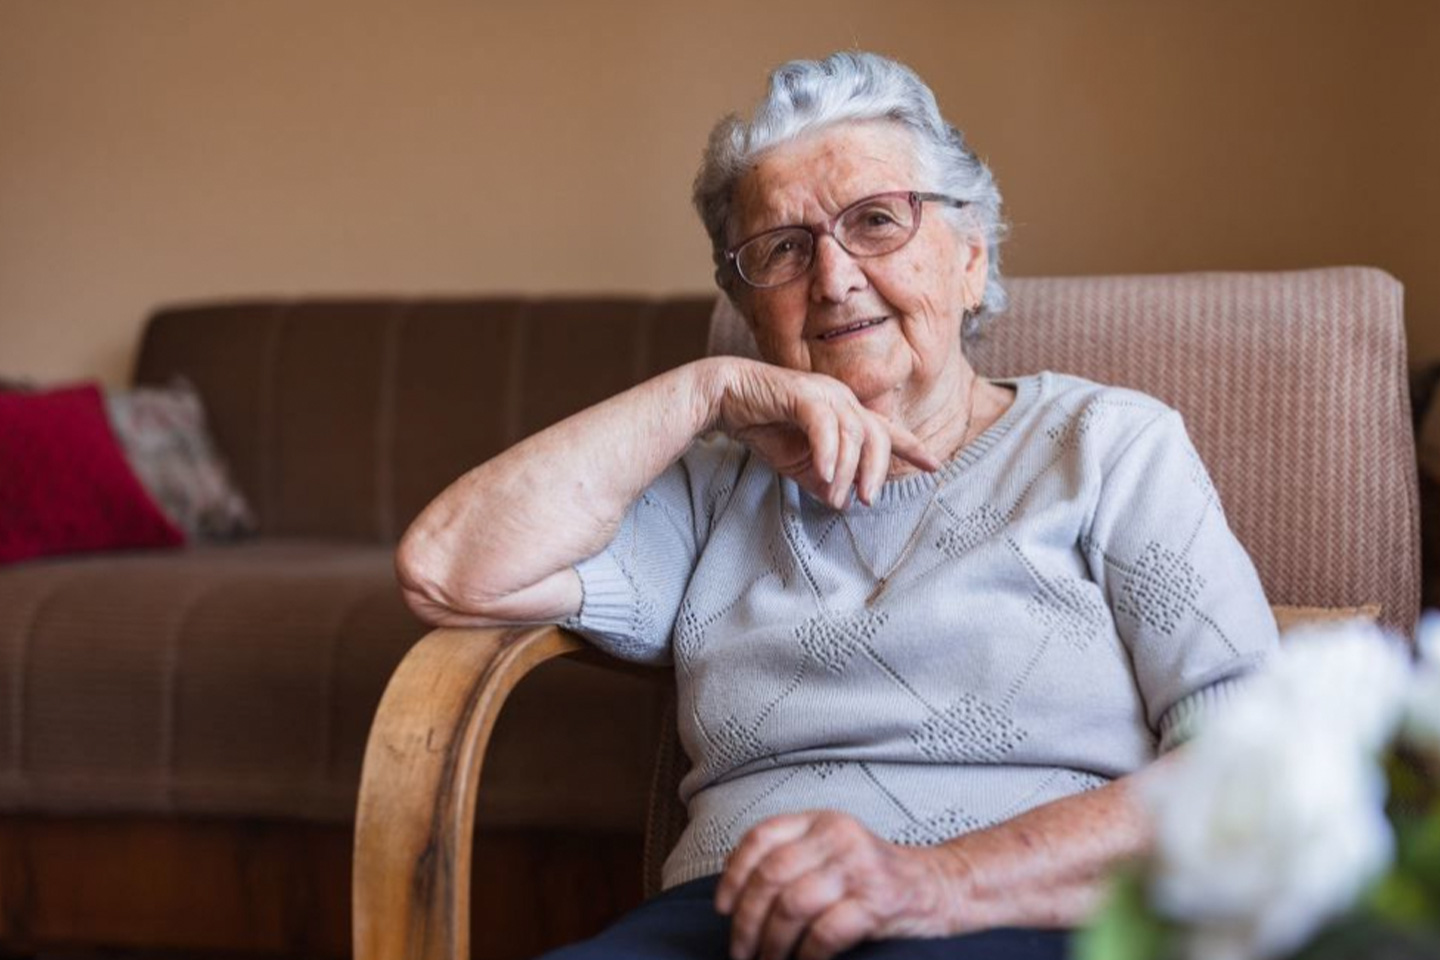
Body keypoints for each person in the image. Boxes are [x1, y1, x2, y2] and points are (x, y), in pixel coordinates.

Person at [397, 51, 1278, 960]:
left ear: (970, 257)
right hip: (726, 926)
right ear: (746, 306)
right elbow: (445, 570)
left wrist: (939, 880)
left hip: (1011, 915)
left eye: (876, 222)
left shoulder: (1107, 446)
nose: (834, 277)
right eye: (783, 249)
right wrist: (703, 393)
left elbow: (1257, 763)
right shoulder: (712, 486)